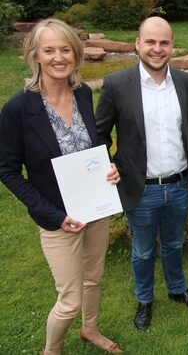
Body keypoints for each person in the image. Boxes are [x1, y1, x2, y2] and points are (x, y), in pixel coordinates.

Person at [0, 19, 122, 354]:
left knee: (93, 279)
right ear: (34, 55)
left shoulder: (82, 93)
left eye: (65, 49)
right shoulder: (17, 109)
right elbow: (7, 171)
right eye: (49, 49)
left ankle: (91, 330)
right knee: (69, 300)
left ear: (75, 54)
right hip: (58, 221)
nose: (59, 57)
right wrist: (52, 215)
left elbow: (93, 142)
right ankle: (50, 350)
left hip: (95, 208)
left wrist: (107, 165)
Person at [95, 16, 188, 331]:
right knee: (143, 250)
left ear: (172, 45)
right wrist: (107, 164)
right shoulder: (117, 84)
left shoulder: (186, 82)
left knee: (174, 243)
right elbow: (99, 135)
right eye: (150, 42)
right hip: (141, 189)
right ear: (137, 44)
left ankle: (176, 288)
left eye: (164, 42)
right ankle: (145, 300)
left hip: (178, 186)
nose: (157, 49)